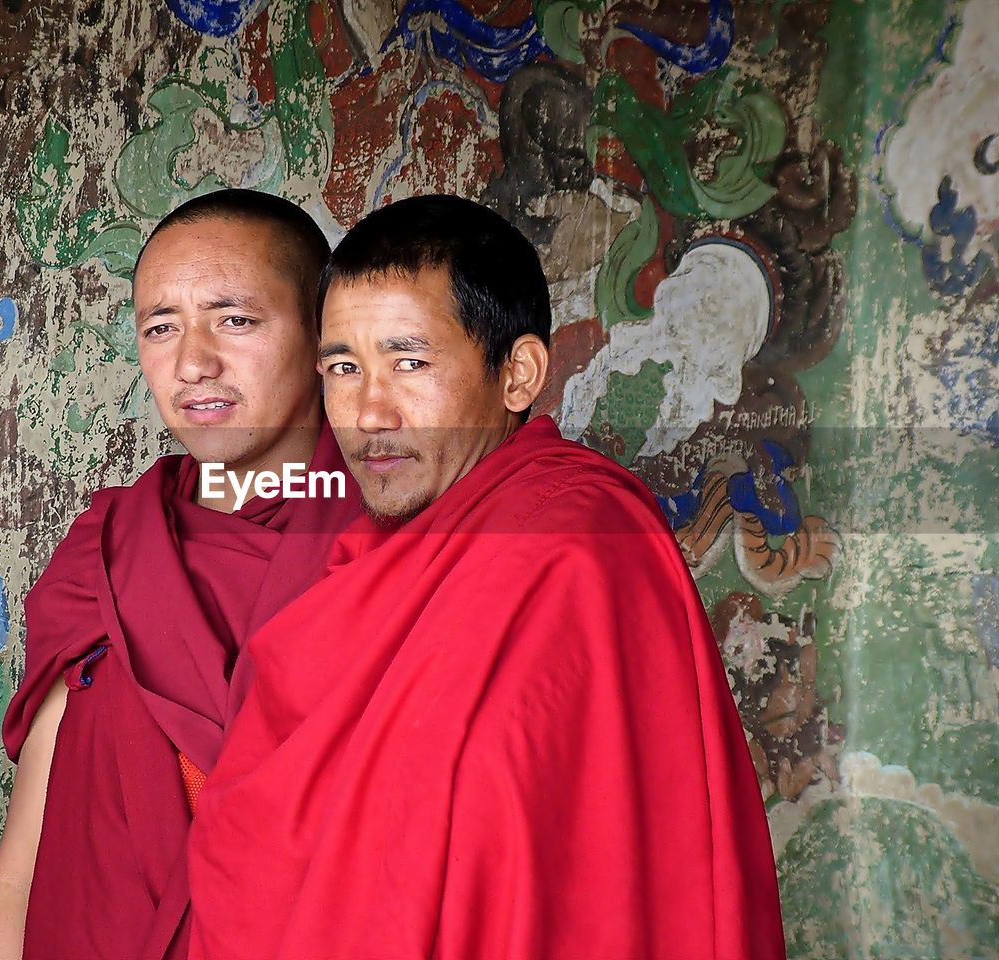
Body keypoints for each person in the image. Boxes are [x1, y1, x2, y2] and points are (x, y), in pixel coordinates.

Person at [187, 195, 787, 959]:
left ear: (518, 374)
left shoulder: (575, 543)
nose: (369, 411)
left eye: (410, 361)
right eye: (343, 367)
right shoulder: (364, 561)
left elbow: (546, 855)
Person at [0, 189, 361, 960]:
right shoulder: (110, 549)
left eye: (235, 319)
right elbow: (27, 858)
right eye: (161, 327)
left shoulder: (399, 547)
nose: (192, 363)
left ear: (325, 337)